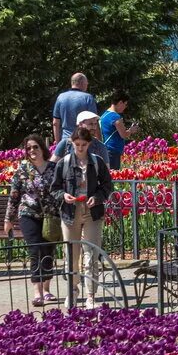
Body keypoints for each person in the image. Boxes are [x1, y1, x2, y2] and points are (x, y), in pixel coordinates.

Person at [50, 127, 114, 309]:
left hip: (92, 211)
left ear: (89, 145)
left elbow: (108, 185)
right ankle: (73, 290)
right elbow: (54, 189)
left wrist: (98, 197)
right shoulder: (64, 163)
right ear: (72, 143)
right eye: (77, 144)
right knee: (71, 254)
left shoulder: (97, 162)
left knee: (92, 254)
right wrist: (63, 196)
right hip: (71, 212)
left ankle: (91, 295)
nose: (80, 148)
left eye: (83, 145)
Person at [4, 135, 60, 307]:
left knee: (48, 250)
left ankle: (47, 288)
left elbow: (60, 189)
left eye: (35, 147)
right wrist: (8, 219)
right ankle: (38, 292)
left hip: (50, 216)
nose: (32, 151)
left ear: (42, 148)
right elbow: (14, 196)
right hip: (28, 214)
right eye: (28, 148)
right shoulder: (22, 170)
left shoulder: (53, 168)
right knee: (35, 251)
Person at [52, 73, 97, 146]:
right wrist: (99, 141)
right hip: (83, 141)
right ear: (82, 83)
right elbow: (94, 122)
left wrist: (58, 144)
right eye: (86, 83)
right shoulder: (88, 98)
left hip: (66, 140)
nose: (87, 85)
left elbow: (55, 123)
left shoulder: (60, 97)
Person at [99, 92, 138, 170]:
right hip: (113, 151)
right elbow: (123, 134)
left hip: (105, 149)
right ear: (120, 102)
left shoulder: (104, 115)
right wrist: (131, 130)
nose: (125, 107)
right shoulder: (115, 117)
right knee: (113, 176)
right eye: (125, 104)